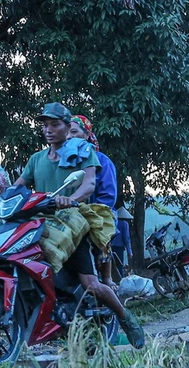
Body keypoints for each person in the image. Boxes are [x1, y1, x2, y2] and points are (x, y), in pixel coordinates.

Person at [14, 102, 145, 348]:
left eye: (55, 125)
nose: (49, 130)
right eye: (45, 125)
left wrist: (70, 200)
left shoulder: (84, 152)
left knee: (91, 284)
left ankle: (126, 318)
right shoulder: (36, 159)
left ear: (66, 127)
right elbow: (19, 185)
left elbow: (89, 184)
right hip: (42, 225)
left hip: (72, 224)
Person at [68, 113, 122, 290]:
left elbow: (108, 195)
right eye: (67, 132)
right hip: (71, 210)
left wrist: (91, 210)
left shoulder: (103, 161)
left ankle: (106, 278)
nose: (70, 136)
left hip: (98, 209)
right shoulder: (63, 161)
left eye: (75, 131)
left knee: (101, 231)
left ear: (86, 134)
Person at [112, 206, 134, 278]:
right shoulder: (124, 223)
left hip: (110, 246)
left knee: (111, 264)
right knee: (119, 265)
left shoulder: (113, 222)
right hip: (119, 247)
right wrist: (129, 251)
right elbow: (126, 238)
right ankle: (119, 281)